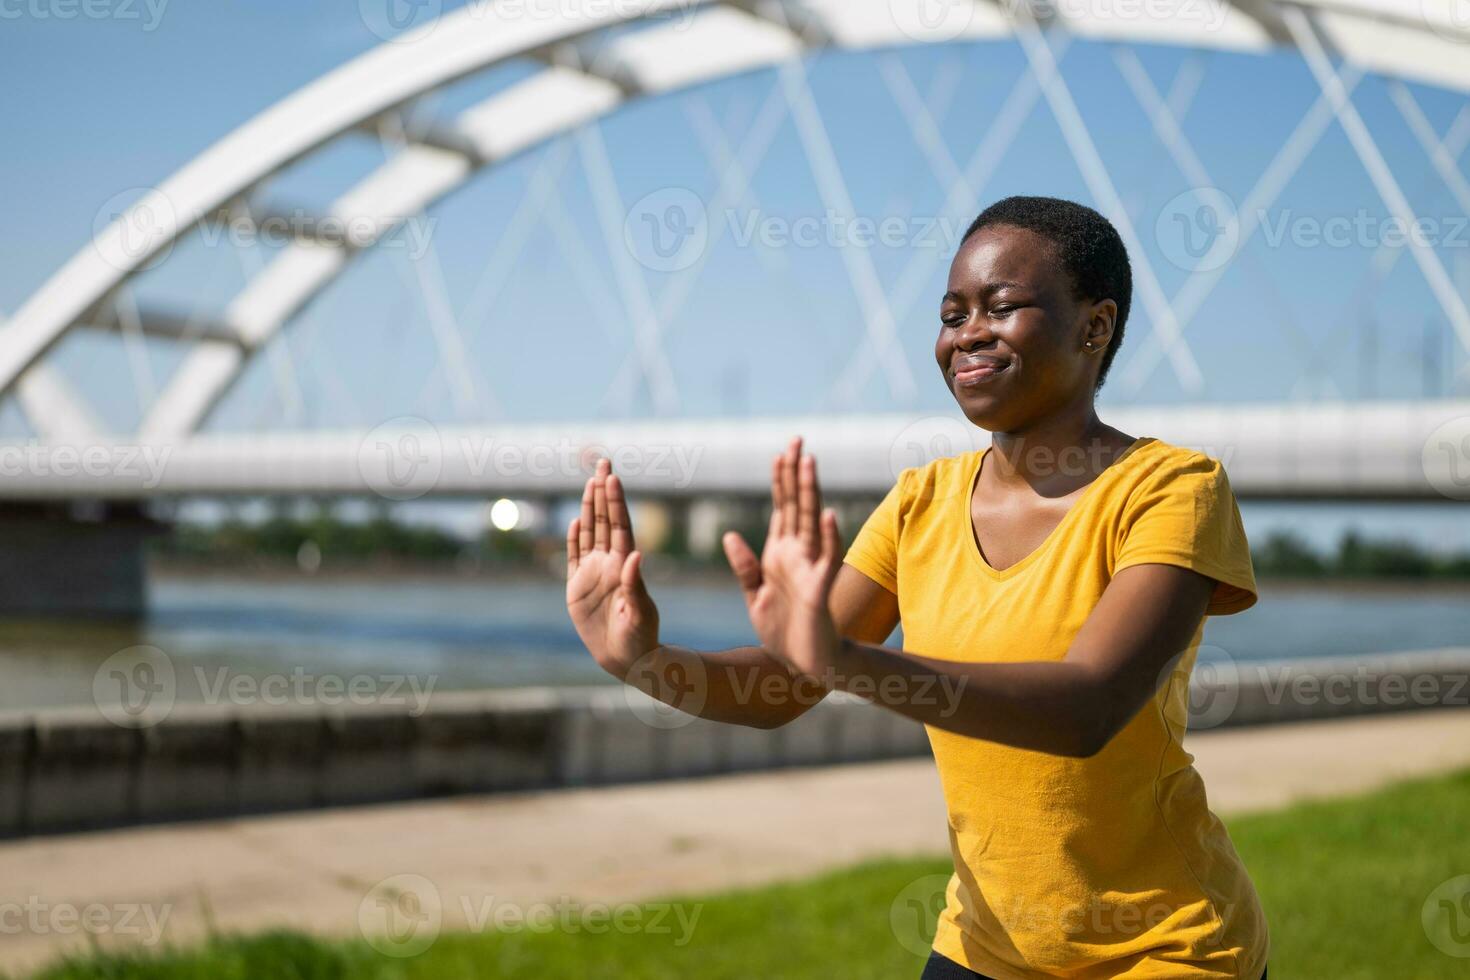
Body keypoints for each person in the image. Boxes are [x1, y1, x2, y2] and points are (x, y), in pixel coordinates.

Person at [565, 195, 1267, 979]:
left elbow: (1086, 708)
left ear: (1094, 327)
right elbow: (784, 686)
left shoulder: (1172, 488)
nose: (967, 334)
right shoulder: (919, 502)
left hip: (1166, 950)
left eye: (1001, 307)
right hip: (983, 946)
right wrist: (645, 661)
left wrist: (843, 659)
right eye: (952, 313)